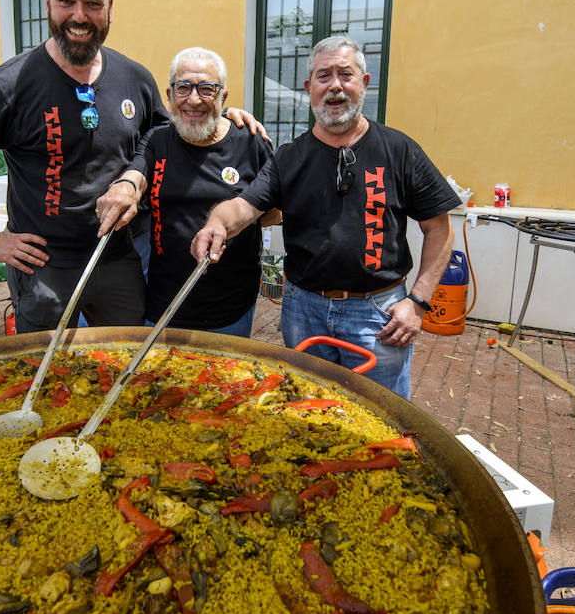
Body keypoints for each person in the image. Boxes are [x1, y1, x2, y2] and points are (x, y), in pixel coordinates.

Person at [0, 0, 264, 335]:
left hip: (119, 261)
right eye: (67, 1)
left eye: (93, 3)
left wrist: (220, 115)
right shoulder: (10, 84)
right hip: (44, 268)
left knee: (123, 368)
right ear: (47, 0)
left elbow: (171, 138)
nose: (79, 16)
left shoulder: (134, 77)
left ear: (110, 7)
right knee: (46, 375)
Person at [193, 36, 459, 398]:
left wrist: (418, 302)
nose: (335, 85)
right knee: (306, 408)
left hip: (378, 314)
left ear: (364, 83)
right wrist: (216, 223)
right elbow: (244, 206)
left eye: (345, 75)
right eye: (323, 76)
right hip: (304, 310)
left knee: (380, 414)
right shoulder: (289, 157)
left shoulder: (399, 150)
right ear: (309, 89)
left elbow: (439, 230)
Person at [97, 47, 276, 337]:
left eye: (207, 89)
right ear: (169, 96)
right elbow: (137, 172)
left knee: (225, 381)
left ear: (223, 97)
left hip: (231, 308)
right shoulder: (158, 140)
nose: (194, 99)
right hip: (163, 304)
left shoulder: (251, 142)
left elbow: (273, 212)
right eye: (183, 88)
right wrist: (124, 188)